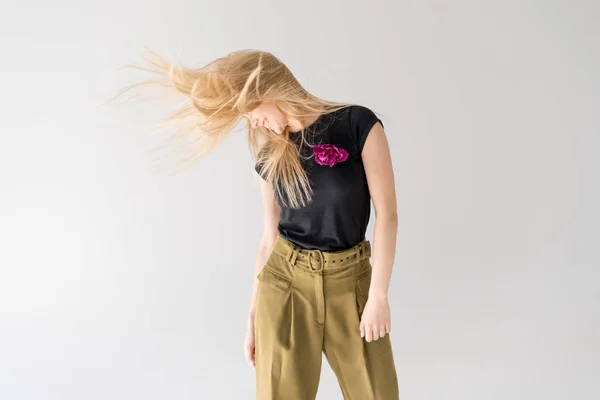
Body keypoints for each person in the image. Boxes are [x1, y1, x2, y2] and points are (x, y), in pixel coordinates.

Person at [112, 48, 400, 400]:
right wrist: (252, 317)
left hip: (351, 281)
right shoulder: (270, 156)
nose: (252, 123)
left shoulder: (357, 124)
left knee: (378, 394)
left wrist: (378, 296)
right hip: (286, 284)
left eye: (251, 111)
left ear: (269, 90)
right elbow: (269, 237)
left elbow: (387, 215)